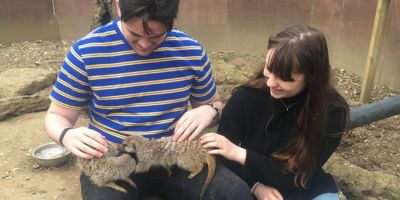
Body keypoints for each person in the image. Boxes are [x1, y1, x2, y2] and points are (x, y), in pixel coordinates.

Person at [44, 0, 253, 199]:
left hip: (174, 152)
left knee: (236, 194)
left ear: (171, 20)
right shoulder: (86, 52)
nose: (144, 45)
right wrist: (67, 135)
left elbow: (215, 105)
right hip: (114, 156)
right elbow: (56, 116)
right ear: (118, 6)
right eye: (134, 34)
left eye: (155, 37)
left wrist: (210, 110)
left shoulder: (191, 50)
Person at [200, 25, 350, 200]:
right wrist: (255, 186)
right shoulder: (247, 97)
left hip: (303, 186)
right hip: (247, 180)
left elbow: (301, 174)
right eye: (269, 69)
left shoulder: (332, 111)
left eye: (284, 77)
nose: (270, 82)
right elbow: (222, 159)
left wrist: (239, 153)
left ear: (311, 77)